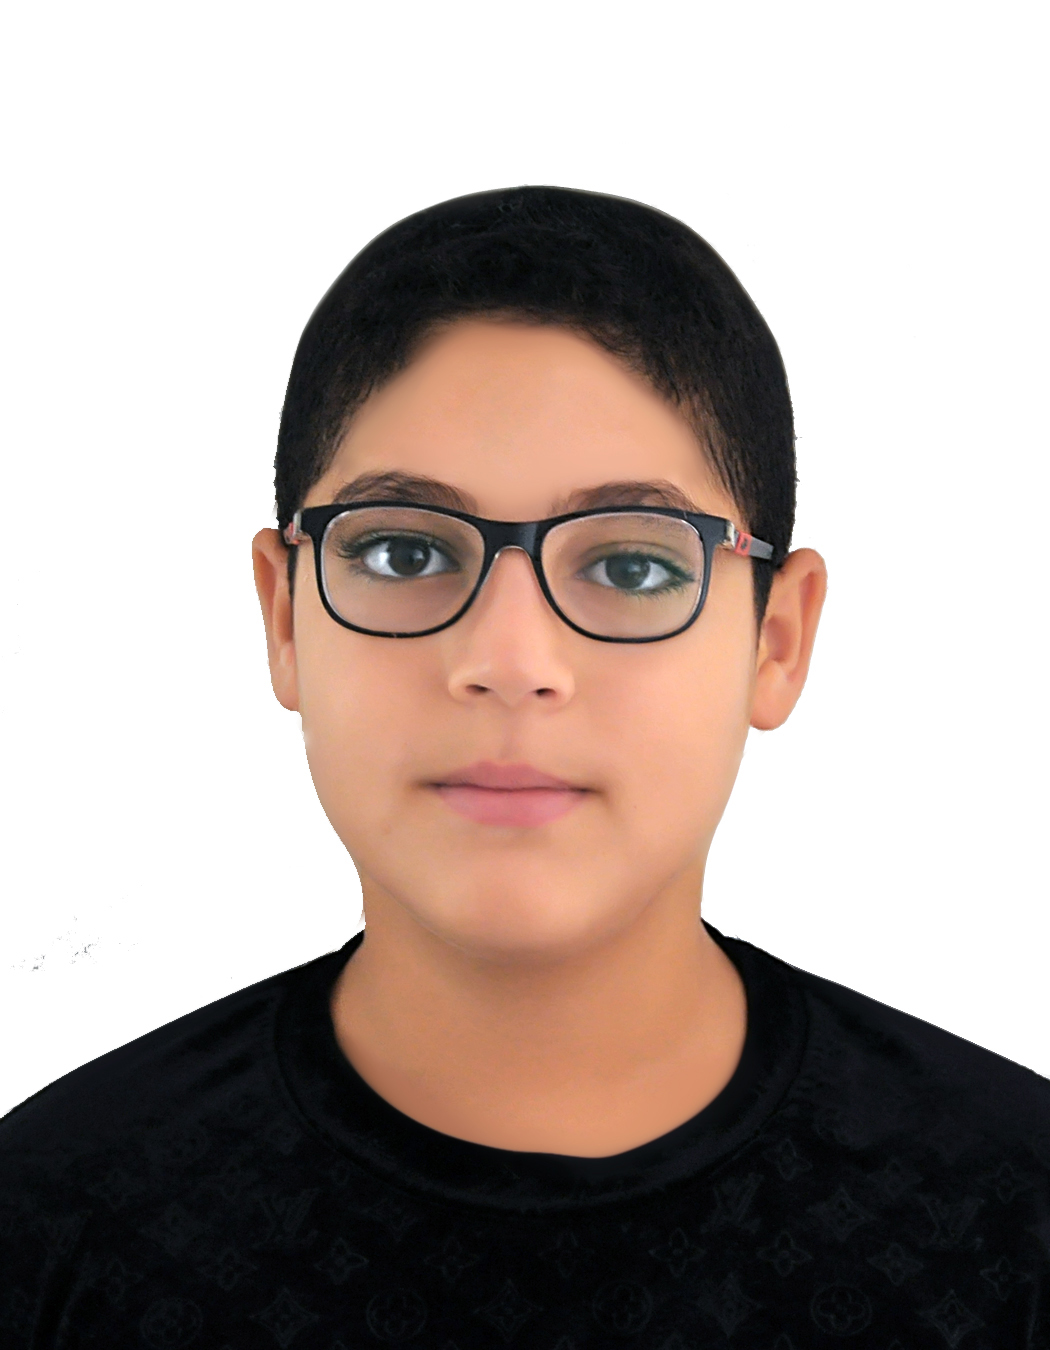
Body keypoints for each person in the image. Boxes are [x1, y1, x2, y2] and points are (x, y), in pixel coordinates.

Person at [1, 186, 1047, 1349]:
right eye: (405, 552)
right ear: (285, 618)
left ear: (777, 641)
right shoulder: (48, 1223)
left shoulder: (1013, 1220)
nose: (508, 664)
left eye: (634, 567)